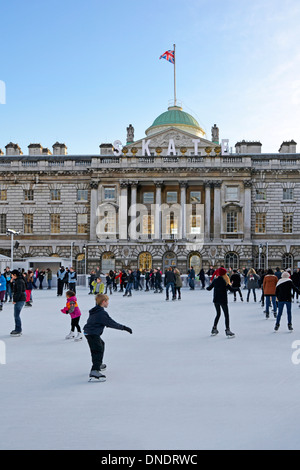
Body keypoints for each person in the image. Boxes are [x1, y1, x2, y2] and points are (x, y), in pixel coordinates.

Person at [83, 294, 132, 381]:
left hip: (90, 332)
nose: (108, 303)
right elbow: (111, 323)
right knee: (97, 350)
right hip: (92, 333)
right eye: (107, 301)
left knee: (101, 344)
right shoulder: (101, 313)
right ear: (103, 302)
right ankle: (94, 371)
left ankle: (98, 364)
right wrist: (124, 328)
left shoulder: (96, 310)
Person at [206, 267, 235, 337]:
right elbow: (232, 290)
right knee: (226, 315)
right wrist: (234, 286)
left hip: (216, 300)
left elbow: (209, 288)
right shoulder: (225, 281)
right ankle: (227, 330)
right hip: (223, 300)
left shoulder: (215, 280)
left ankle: (214, 328)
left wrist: (208, 287)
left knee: (218, 314)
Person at [10, 269, 26, 336]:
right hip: (20, 299)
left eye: (12, 275)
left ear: (15, 275)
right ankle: (17, 328)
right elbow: (13, 290)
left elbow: (19, 291)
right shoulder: (17, 280)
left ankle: (18, 329)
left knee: (16, 315)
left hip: (20, 300)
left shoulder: (19, 281)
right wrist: (11, 283)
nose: (11, 276)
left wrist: (15, 300)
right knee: (16, 315)